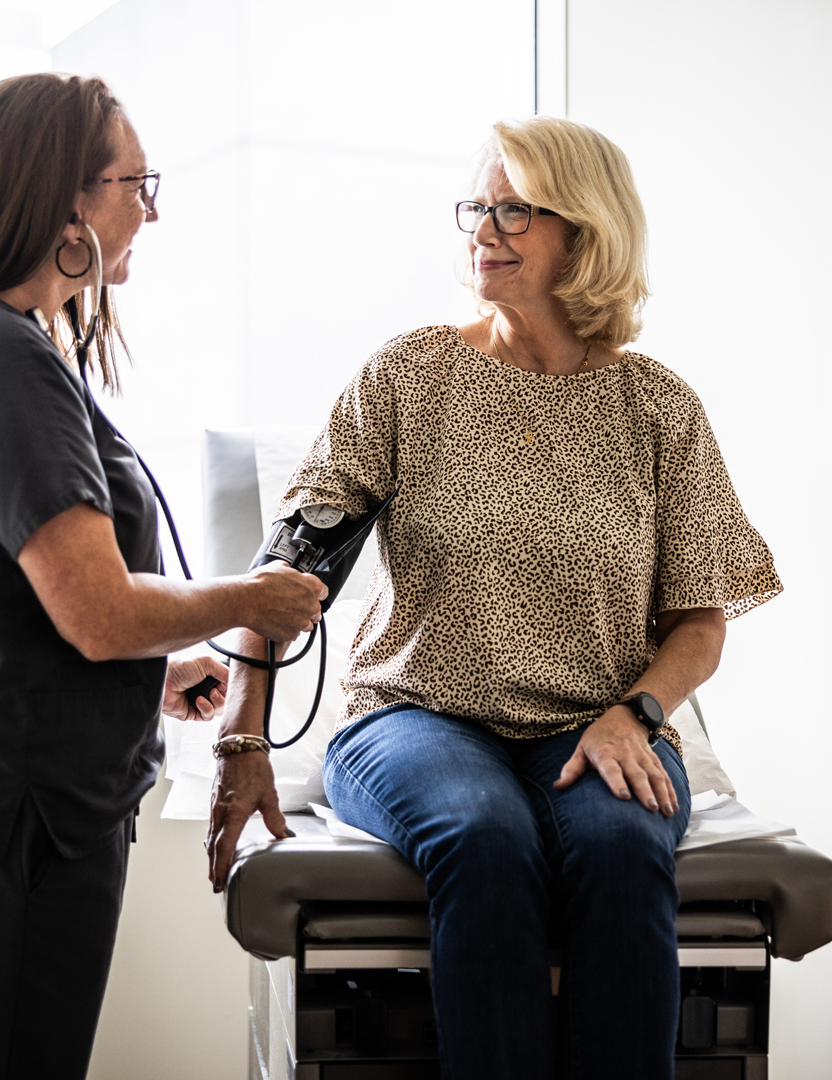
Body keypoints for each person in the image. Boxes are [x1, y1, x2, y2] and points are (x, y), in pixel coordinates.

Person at [205, 116, 783, 1079]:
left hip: (596, 721)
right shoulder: (410, 376)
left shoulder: (658, 408)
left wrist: (635, 714)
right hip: (415, 715)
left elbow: (699, 621)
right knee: (482, 834)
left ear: (586, 234)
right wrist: (242, 737)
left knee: (624, 844)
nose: (485, 227)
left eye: (516, 208)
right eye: (478, 205)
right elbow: (286, 576)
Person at [0, 73, 326, 1080]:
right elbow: (102, 612)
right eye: (137, 183)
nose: (150, 210)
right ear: (65, 196)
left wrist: (149, 673)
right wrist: (254, 599)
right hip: (5, 809)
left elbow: (4, 602)